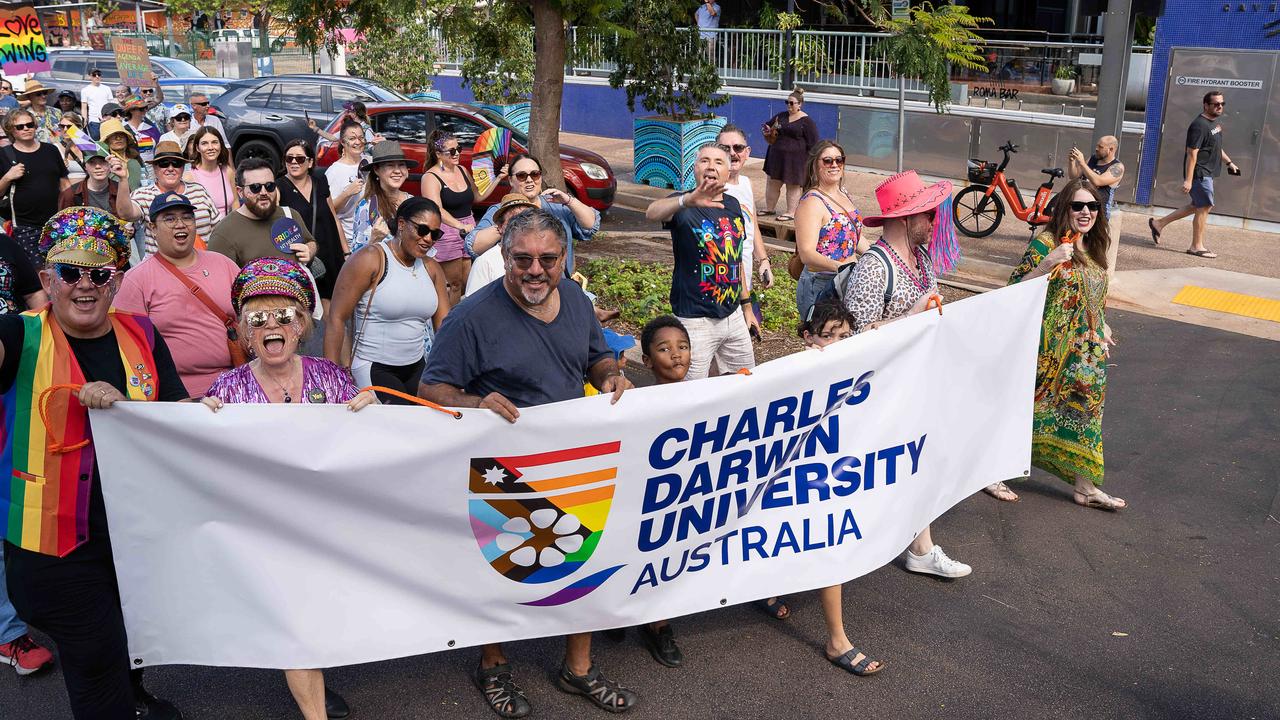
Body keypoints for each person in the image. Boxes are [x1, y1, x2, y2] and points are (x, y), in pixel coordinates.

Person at [421, 209, 635, 717]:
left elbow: (595, 357)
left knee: (585, 561)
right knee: (508, 574)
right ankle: (493, 666)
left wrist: (608, 377)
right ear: (503, 256)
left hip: (575, 462)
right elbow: (431, 389)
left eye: (547, 259)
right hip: (505, 473)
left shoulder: (578, 299)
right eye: (522, 259)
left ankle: (577, 669)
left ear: (564, 258)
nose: (535, 270)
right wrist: (477, 404)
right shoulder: (470, 318)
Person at [0, 206, 187, 719]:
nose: (84, 285)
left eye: (99, 273)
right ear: (46, 279)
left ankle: (134, 698)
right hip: (51, 544)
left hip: (131, 530)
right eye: (69, 272)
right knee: (96, 657)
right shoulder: (17, 335)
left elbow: (176, 415)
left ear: (117, 280)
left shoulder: (142, 333)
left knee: (130, 632)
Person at [202, 257, 366, 720]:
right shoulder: (227, 390)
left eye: (284, 315)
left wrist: (374, 415)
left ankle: (313, 672)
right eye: (257, 319)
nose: (271, 326)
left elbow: (361, 450)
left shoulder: (333, 377)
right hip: (266, 531)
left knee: (320, 617)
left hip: (328, 526)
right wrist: (201, 422)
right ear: (243, 332)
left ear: (302, 325)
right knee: (295, 623)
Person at [841, 170, 972, 579]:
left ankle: (919, 546)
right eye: (928, 215)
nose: (935, 223)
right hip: (881, 390)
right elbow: (854, 341)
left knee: (919, 461)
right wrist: (913, 316)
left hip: (913, 382)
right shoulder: (873, 268)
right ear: (904, 219)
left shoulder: (921, 258)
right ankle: (860, 547)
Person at [995, 177, 1122, 510]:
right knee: (1022, 410)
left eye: (1092, 206)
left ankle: (1085, 487)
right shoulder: (1047, 242)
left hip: (1086, 355)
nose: (1085, 212)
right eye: (1077, 205)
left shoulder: (1092, 247)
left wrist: (1102, 324)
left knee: (1084, 418)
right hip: (1047, 349)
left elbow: (1091, 296)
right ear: (1064, 208)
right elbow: (1013, 289)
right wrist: (1047, 263)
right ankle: (990, 473)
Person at [794, 297, 886, 678]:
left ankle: (832, 634)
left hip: (830, 476)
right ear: (809, 337)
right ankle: (837, 641)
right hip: (798, 476)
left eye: (846, 335)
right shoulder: (796, 370)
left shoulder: (857, 366)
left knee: (825, 540)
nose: (839, 343)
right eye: (829, 336)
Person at [644, 143, 758, 380]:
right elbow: (651, 212)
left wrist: (747, 308)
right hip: (695, 320)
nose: (711, 166)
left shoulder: (734, 205)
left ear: (728, 172)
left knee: (746, 383)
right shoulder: (682, 204)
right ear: (695, 168)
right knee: (691, 393)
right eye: (704, 160)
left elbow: (735, 259)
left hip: (733, 315)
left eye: (718, 162)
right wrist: (687, 200)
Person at [114, 192, 241, 397]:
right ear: (153, 229)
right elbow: (128, 349)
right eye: (170, 219)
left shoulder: (224, 264)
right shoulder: (136, 280)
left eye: (186, 217)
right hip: (178, 397)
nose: (180, 224)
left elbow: (249, 319)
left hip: (237, 387)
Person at [325, 196, 449, 402]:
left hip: (416, 366)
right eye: (422, 230)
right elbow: (336, 318)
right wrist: (330, 377)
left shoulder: (432, 267)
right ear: (401, 224)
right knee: (398, 425)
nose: (428, 238)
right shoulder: (370, 258)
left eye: (435, 234)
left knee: (426, 424)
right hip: (374, 367)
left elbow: (445, 327)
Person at [466, 154, 599, 277]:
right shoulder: (500, 211)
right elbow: (474, 246)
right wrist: (508, 223)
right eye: (521, 176)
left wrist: (569, 201)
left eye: (535, 174)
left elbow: (590, 226)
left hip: (560, 286)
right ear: (511, 180)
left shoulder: (557, 205)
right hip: (523, 287)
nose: (529, 180)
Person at [1149, 91, 1238, 259]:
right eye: (1216, 104)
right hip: (1200, 173)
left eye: (1222, 104)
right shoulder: (1199, 125)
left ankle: (1158, 224)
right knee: (1204, 207)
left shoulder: (1215, 125)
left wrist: (1229, 162)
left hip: (1208, 172)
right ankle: (1196, 246)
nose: (1220, 106)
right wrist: (1188, 180)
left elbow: (1216, 147)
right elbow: (1192, 154)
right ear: (1206, 105)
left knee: (1198, 205)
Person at [421, 130, 506, 306]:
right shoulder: (430, 177)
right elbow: (436, 208)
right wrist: (459, 225)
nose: (457, 153)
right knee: (453, 283)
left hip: (469, 228)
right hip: (447, 231)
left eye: (458, 148)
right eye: (451, 151)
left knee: (468, 281)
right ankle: (449, 321)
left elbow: (478, 197)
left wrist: (498, 178)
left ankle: (464, 316)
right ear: (438, 154)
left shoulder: (462, 170)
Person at [793, 140, 866, 319]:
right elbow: (807, 254)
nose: (834, 165)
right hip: (822, 284)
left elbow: (855, 237)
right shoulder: (812, 202)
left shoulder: (844, 194)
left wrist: (875, 259)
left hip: (848, 280)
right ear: (815, 166)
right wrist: (843, 268)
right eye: (827, 161)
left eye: (839, 160)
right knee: (824, 341)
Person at [112, 140, 218, 257]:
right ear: (155, 168)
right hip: (162, 270)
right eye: (164, 163)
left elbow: (217, 228)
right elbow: (125, 214)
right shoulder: (143, 194)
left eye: (176, 163)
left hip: (201, 266)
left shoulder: (199, 190)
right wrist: (122, 179)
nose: (170, 168)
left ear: (183, 167)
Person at [208, 157, 317, 267]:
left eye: (270, 186)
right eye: (255, 187)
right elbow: (218, 278)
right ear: (240, 192)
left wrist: (309, 250)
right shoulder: (223, 233)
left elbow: (310, 242)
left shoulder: (290, 215)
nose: (264, 192)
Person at [278, 138, 345, 311]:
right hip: (301, 259)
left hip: (330, 253)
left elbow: (333, 217)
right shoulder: (278, 188)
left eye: (299, 158)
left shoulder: (320, 181)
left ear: (310, 162)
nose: (293, 162)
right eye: (289, 158)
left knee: (333, 311)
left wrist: (346, 251)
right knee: (300, 313)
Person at [0, 109, 71, 269]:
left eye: (29, 124)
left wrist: (67, 217)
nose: (26, 128)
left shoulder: (51, 150)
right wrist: (7, 177)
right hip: (26, 227)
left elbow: (65, 185)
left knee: (61, 272)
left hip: (57, 225)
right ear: (11, 130)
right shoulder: (4, 155)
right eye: (20, 126)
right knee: (38, 274)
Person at [717, 124, 773, 296]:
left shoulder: (746, 183)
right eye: (725, 148)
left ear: (747, 152)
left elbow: (752, 225)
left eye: (738, 148)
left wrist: (763, 260)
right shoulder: (712, 188)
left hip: (745, 279)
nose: (732, 153)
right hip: (720, 282)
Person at [1068, 136, 1125, 275]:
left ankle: (1095, 274)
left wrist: (1082, 163)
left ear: (1111, 149)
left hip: (1098, 213)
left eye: (1100, 147)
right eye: (1097, 146)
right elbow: (1074, 176)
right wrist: (1072, 162)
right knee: (1072, 240)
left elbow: (1098, 181)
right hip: (1079, 207)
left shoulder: (1117, 167)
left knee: (1094, 246)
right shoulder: (1093, 159)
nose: (1096, 149)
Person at [761, 88, 818, 221]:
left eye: (792, 103)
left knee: (793, 185)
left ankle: (791, 212)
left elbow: (813, 142)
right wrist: (767, 131)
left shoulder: (806, 121)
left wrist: (811, 162)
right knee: (772, 183)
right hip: (776, 158)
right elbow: (767, 125)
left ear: (800, 104)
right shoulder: (781, 116)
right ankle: (770, 208)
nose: (789, 105)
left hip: (795, 161)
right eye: (787, 102)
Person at [348, 140, 414, 255]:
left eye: (401, 165)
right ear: (377, 170)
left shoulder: (412, 201)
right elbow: (357, 257)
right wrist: (374, 239)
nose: (397, 171)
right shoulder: (368, 207)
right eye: (390, 165)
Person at [465, 192, 536, 297]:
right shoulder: (485, 262)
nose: (521, 226)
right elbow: (473, 307)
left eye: (526, 220)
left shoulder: (539, 256)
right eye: (513, 221)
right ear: (500, 227)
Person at [324, 120, 367, 257]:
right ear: (342, 142)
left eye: (361, 137)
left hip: (373, 236)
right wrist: (346, 193)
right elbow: (328, 211)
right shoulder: (335, 172)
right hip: (350, 240)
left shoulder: (369, 161)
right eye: (352, 138)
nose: (358, 142)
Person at [185, 126, 237, 221]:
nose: (210, 147)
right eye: (204, 143)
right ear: (197, 148)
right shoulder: (189, 177)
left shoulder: (228, 171)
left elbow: (235, 201)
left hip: (226, 230)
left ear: (220, 145)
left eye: (214, 142)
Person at [59, 148, 120, 213]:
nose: (98, 166)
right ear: (85, 166)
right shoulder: (70, 194)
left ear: (110, 164)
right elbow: (61, 221)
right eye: (92, 162)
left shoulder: (121, 189)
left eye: (103, 161)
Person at [99, 117, 146, 191]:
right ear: (106, 141)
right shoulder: (102, 164)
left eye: (121, 134)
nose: (118, 138)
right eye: (113, 135)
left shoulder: (136, 159)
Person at [122, 97, 159, 163]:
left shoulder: (152, 129)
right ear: (131, 111)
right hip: (130, 168)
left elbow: (159, 149)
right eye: (141, 109)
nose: (145, 110)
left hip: (151, 169)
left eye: (146, 108)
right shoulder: (122, 129)